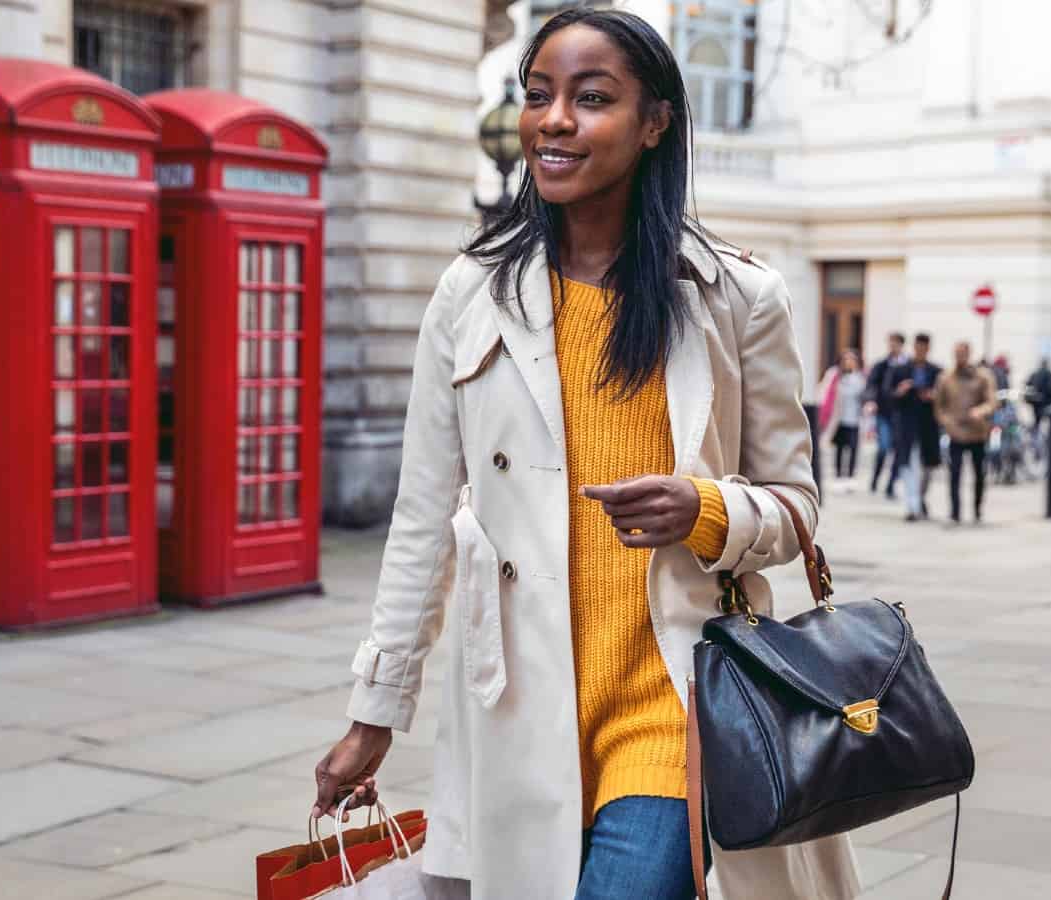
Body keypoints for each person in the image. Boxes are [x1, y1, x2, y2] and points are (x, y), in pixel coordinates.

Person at [309, 10, 859, 900]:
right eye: (538, 96)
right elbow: (421, 522)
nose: (553, 119)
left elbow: (797, 503)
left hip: (674, 700)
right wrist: (375, 714)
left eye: (591, 98)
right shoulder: (470, 293)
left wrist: (706, 509)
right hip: (518, 707)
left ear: (654, 124)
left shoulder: (737, 297)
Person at [935, 341, 998, 523]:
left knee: (979, 473)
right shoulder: (946, 378)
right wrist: (947, 422)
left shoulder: (983, 377)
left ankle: (977, 508)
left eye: (963, 353)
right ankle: (955, 511)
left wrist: (981, 411)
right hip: (956, 432)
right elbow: (939, 406)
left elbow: (992, 401)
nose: (959, 357)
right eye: (957, 353)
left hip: (977, 432)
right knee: (954, 473)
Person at [888, 333, 943, 522]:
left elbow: (943, 397)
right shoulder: (901, 370)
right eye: (918, 347)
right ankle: (912, 506)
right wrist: (900, 391)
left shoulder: (937, 371)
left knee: (927, 467)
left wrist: (934, 396)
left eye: (924, 347)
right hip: (907, 425)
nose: (920, 351)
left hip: (928, 425)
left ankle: (920, 499)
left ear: (928, 348)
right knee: (909, 464)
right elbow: (889, 397)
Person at [864, 332, 909, 496]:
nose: (892, 346)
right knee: (883, 447)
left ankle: (891, 484)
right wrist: (870, 401)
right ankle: (875, 479)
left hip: (900, 414)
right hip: (883, 412)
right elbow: (871, 385)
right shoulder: (881, 365)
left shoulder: (907, 365)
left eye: (895, 343)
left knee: (898, 450)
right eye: (890, 343)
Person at [828, 350, 866, 481]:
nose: (849, 362)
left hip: (855, 418)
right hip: (839, 418)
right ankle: (838, 474)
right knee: (839, 447)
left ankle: (850, 476)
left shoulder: (860, 378)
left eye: (852, 360)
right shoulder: (836, 376)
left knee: (853, 448)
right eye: (846, 360)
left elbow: (863, 396)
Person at [1023, 357, 1051, 434]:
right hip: (1044, 401)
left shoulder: (1034, 374)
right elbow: (1050, 388)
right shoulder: (1048, 374)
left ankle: (1035, 436)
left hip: (1035, 401)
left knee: (1037, 420)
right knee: (1047, 421)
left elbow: (1027, 385)